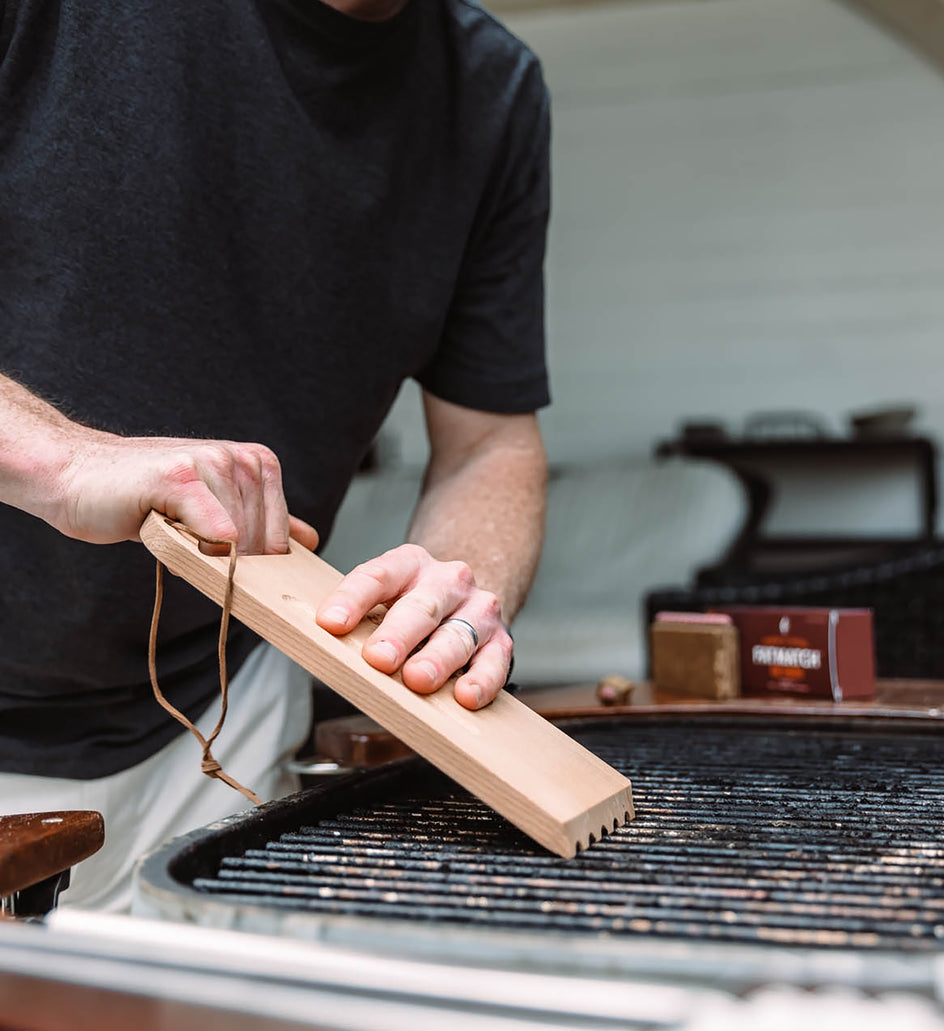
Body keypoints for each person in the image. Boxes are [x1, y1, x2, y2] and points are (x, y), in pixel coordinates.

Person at [0, 0, 550, 910]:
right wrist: (61, 459)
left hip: (224, 718)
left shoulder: (492, 91)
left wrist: (453, 598)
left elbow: (488, 440)